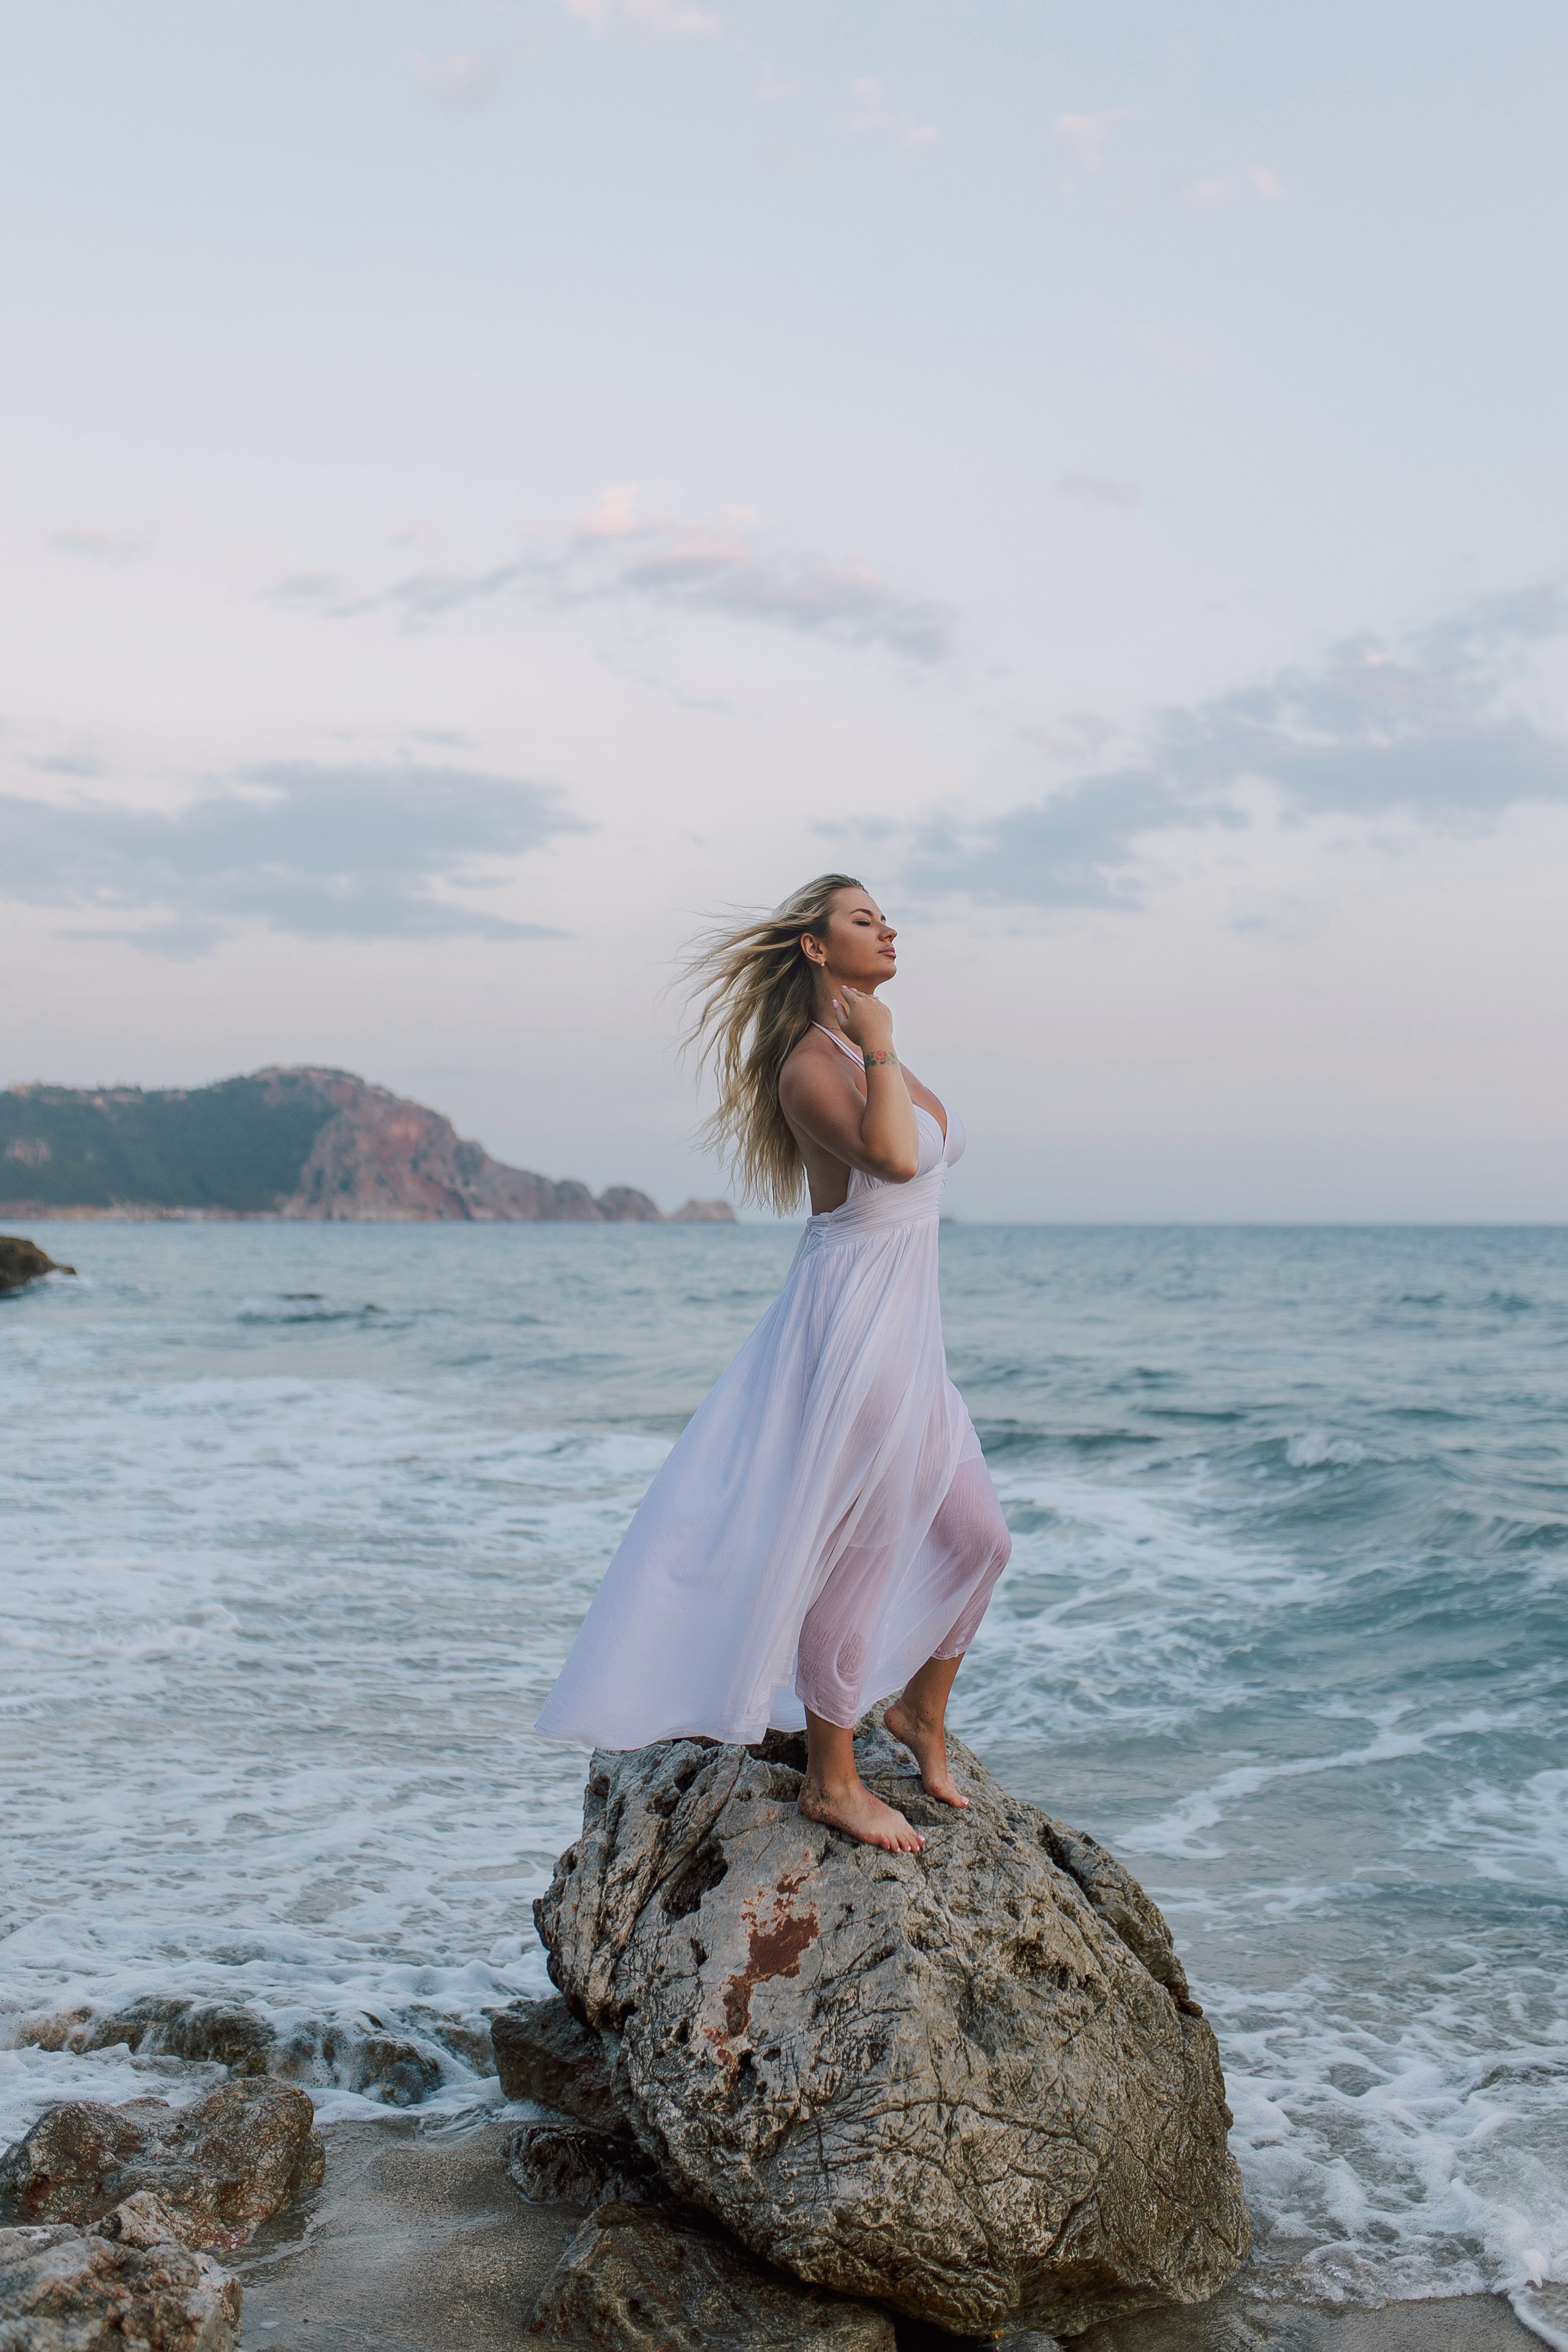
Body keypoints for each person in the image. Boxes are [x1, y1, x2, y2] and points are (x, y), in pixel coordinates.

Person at [535, 875, 1012, 1853]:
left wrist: (877, 1041)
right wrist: (879, 1041)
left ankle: (920, 1713)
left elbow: (915, 1152)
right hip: (855, 1327)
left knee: (980, 1539)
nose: (888, 929)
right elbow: (893, 1159)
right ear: (816, 948)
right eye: (863, 920)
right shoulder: (812, 1065)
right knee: (860, 1556)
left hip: (912, 1333)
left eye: (885, 916)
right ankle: (832, 1781)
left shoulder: (864, 1046)